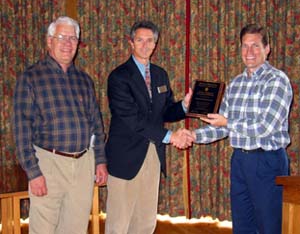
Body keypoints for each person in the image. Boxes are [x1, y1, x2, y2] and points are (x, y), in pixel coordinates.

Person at [190, 24, 293, 234]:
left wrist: (226, 122)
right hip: (239, 161)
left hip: (268, 161)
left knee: (270, 226)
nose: (249, 52)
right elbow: (222, 127)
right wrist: (192, 135)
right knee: (242, 226)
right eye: (245, 46)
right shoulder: (235, 83)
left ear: (267, 49)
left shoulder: (277, 80)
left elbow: (266, 126)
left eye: (255, 46)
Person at [12, 16, 108, 234]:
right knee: (44, 229)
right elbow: (21, 130)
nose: (67, 43)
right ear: (49, 41)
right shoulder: (30, 78)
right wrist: (33, 172)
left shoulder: (84, 80)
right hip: (49, 164)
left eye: (73, 38)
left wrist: (100, 161)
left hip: (84, 164)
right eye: (62, 37)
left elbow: (96, 124)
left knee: (75, 228)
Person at [104, 20, 193, 234]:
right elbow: (131, 119)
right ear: (131, 43)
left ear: (156, 43)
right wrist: (171, 137)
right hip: (125, 158)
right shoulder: (119, 77)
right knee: (119, 224)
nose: (145, 45)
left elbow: (165, 112)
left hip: (153, 155)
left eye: (150, 40)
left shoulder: (160, 74)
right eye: (140, 40)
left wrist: (184, 105)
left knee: (145, 223)